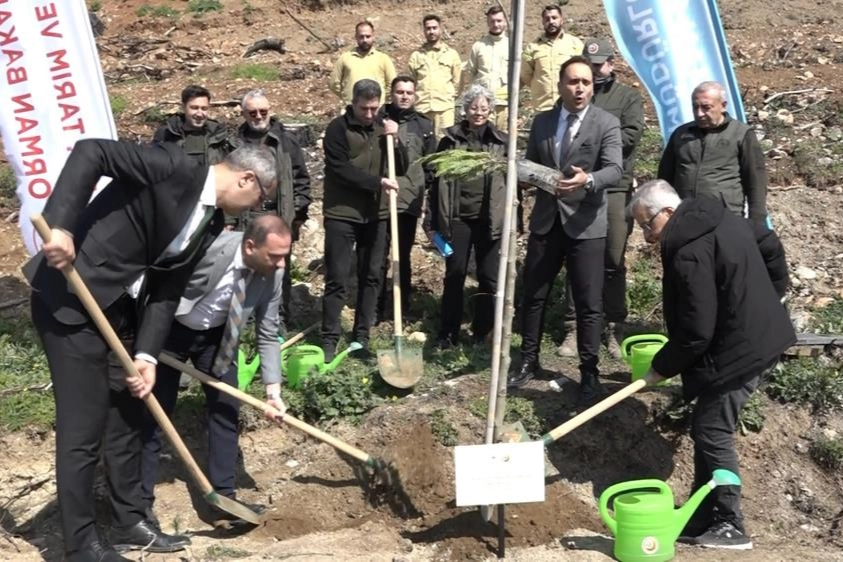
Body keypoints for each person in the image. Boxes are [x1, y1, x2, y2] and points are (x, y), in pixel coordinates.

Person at [23, 140, 276, 561]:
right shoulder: (171, 166)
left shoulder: (211, 222)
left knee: (128, 417)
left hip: (121, 310)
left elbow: (168, 288)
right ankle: (80, 545)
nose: (256, 208)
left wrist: (147, 355)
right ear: (247, 179)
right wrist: (62, 226)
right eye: (261, 199)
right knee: (83, 427)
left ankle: (129, 522)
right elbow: (91, 152)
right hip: (70, 297)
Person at [628, 179, 795, 550]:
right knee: (707, 423)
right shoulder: (720, 217)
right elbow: (768, 241)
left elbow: (696, 330)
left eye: (647, 225)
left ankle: (729, 523)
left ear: (667, 211)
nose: (647, 236)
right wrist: (773, 294)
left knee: (712, 428)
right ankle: (702, 514)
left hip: (741, 348)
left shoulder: (688, 252)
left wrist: (661, 367)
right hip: (752, 336)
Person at [141, 215, 291, 527]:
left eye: (284, 255)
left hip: (218, 338)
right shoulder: (208, 249)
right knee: (154, 413)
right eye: (274, 256)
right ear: (250, 246)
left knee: (226, 409)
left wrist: (273, 392)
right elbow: (157, 288)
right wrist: (144, 345)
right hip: (170, 331)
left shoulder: (273, 274)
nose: (281, 264)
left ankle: (224, 501)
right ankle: (139, 506)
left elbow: (267, 331)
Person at [507, 56, 622, 405]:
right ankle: (528, 360)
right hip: (546, 220)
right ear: (559, 85)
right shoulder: (542, 122)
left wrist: (589, 179)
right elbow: (529, 163)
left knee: (588, 303)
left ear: (593, 87)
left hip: (586, 224)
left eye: (586, 82)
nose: (580, 88)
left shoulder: (606, 123)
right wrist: (524, 177)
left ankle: (589, 371)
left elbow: (615, 169)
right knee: (534, 295)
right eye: (573, 82)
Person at [558, 38, 645, 359]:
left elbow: (631, 135)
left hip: (614, 189)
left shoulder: (627, 98)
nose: (594, 72)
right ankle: (574, 326)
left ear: (611, 64)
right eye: (589, 65)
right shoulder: (573, 95)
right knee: (576, 256)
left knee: (613, 259)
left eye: (599, 65)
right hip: (577, 188)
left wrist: (596, 139)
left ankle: (613, 327)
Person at [321, 79, 407, 361]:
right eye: (364, 109)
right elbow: (340, 169)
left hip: (377, 213)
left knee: (371, 276)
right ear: (354, 103)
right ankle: (329, 338)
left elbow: (402, 166)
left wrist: (397, 140)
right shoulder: (337, 128)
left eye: (374, 108)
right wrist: (377, 182)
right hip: (342, 213)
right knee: (337, 277)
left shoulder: (385, 127)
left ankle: (361, 337)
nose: (369, 114)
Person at [426, 84, 507, 348]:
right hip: (456, 220)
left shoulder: (501, 142)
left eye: (484, 108)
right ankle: (448, 333)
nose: (478, 112)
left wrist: (512, 221)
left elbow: (512, 184)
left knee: (488, 276)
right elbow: (435, 182)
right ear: (465, 109)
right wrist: (432, 221)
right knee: (455, 273)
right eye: (474, 107)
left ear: (491, 110)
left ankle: (483, 332)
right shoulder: (450, 140)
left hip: (490, 220)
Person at [230, 90, 312, 334]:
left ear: (270, 110)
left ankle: (278, 323)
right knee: (245, 269)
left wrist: (296, 215)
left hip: (278, 216)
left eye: (263, 111)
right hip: (247, 217)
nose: (258, 116)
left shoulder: (286, 141)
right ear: (243, 113)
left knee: (278, 270)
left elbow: (301, 179)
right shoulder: (234, 143)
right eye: (252, 112)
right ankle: (244, 327)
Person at [657, 81, 768, 221]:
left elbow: (756, 179)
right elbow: (664, 178)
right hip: (685, 216)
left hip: (725, 217)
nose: (699, 113)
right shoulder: (681, 134)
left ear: (723, 105)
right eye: (695, 107)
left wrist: (756, 220)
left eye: (706, 107)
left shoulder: (741, 134)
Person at [376, 76, 437, 321]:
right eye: (399, 92)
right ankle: (375, 309)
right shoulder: (377, 118)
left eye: (408, 92)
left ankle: (401, 308)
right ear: (391, 94)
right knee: (378, 256)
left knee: (402, 256)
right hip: (379, 199)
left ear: (415, 95)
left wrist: (424, 190)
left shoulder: (423, 125)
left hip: (408, 200)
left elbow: (431, 164)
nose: (404, 96)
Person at [520, 4, 584, 113]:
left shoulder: (575, 44)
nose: (551, 21)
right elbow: (526, 74)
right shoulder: (532, 47)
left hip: (569, 105)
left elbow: (582, 72)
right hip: (543, 107)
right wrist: (541, 86)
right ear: (542, 22)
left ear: (561, 20)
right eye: (547, 19)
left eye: (554, 18)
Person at [407, 14, 462, 137]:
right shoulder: (416, 56)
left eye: (434, 28)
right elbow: (412, 83)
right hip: (422, 109)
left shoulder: (451, 54)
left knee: (445, 143)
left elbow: (458, 82)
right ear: (424, 31)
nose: (431, 31)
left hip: (444, 109)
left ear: (440, 29)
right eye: (428, 28)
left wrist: (449, 96)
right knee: (423, 143)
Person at [152, 85, 229, 167]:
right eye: (194, 108)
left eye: (204, 108)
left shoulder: (218, 134)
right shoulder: (166, 134)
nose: (199, 114)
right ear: (183, 107)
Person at [329, 21, 397, 106]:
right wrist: (346, 96)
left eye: (368, 36)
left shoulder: (383, 59)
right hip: (351, 108)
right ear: (356, 37)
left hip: (376, 109)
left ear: (373, 36)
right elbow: (333, 83)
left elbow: (392, 83)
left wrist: (381, 98)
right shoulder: (345, 58)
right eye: (361, 37)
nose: (365, 40)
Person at [464, 6, 510, 131]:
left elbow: (520, 74)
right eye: (492, 21)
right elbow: (471, 73)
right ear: (488, 23)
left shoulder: (512, 46)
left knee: (502, 137)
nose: (496, 24)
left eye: (499, 21)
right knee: (482, 137)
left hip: (503, 105)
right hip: (483, 106)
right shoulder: (478, 46)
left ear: (505, 21)